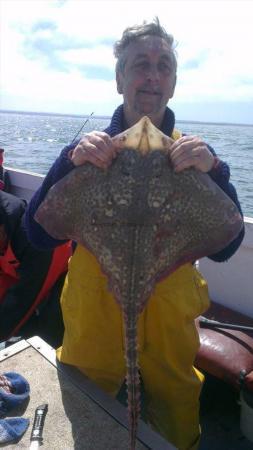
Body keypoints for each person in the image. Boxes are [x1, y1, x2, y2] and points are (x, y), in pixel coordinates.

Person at [25, 18, 245, 450]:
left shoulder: (194, 158)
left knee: (179, 402)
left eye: (163, 65)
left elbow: (229, 244)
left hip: (171, 316)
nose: (152, 74)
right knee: (84, 402)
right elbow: (37, 232)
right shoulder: (90, 152)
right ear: (119, 78)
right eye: (140, 64)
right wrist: (70, 161)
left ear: (174, 82)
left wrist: (216, 171)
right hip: (94, 311)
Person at [0, 189, 71, 347]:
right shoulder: (7, 227)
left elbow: (22, 300)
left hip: (60, 280)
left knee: (51, 326)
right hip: (24, 275)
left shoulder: (36, 239)